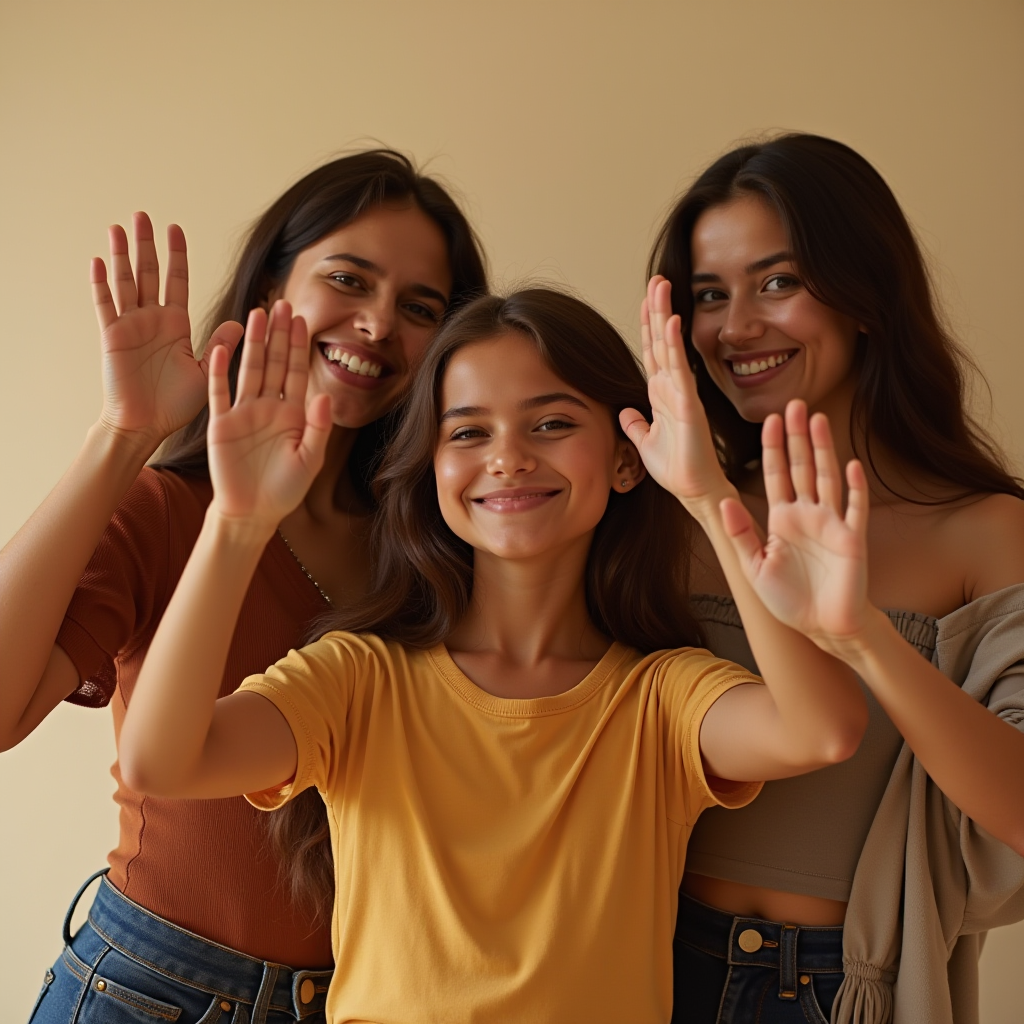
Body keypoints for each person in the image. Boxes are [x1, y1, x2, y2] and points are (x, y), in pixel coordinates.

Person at [117, 286, 869, 1023]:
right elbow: (163, 761)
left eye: (551, 424)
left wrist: (706, 497)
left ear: (628, 460)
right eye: (469, 432)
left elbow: (821, 730)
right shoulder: (356, 679)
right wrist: (237, 523)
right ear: (431, 468)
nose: (507, 458)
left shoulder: (659, 699)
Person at [2, 150, 488, 1024]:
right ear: (270, 289)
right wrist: (125, 432)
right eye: (349, 279)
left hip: (362, 998)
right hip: (152, 991)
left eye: (420, 307)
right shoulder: (168, 508)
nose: (379, 325)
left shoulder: (446, 538)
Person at [648, 132, 1024, 1024]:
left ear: (866, 296)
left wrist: (862, 635)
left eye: (777, 281)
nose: (735, 326)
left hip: (840, 992)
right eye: (709, 295)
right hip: (646, 965)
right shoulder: (667, 512)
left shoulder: (983, 530)